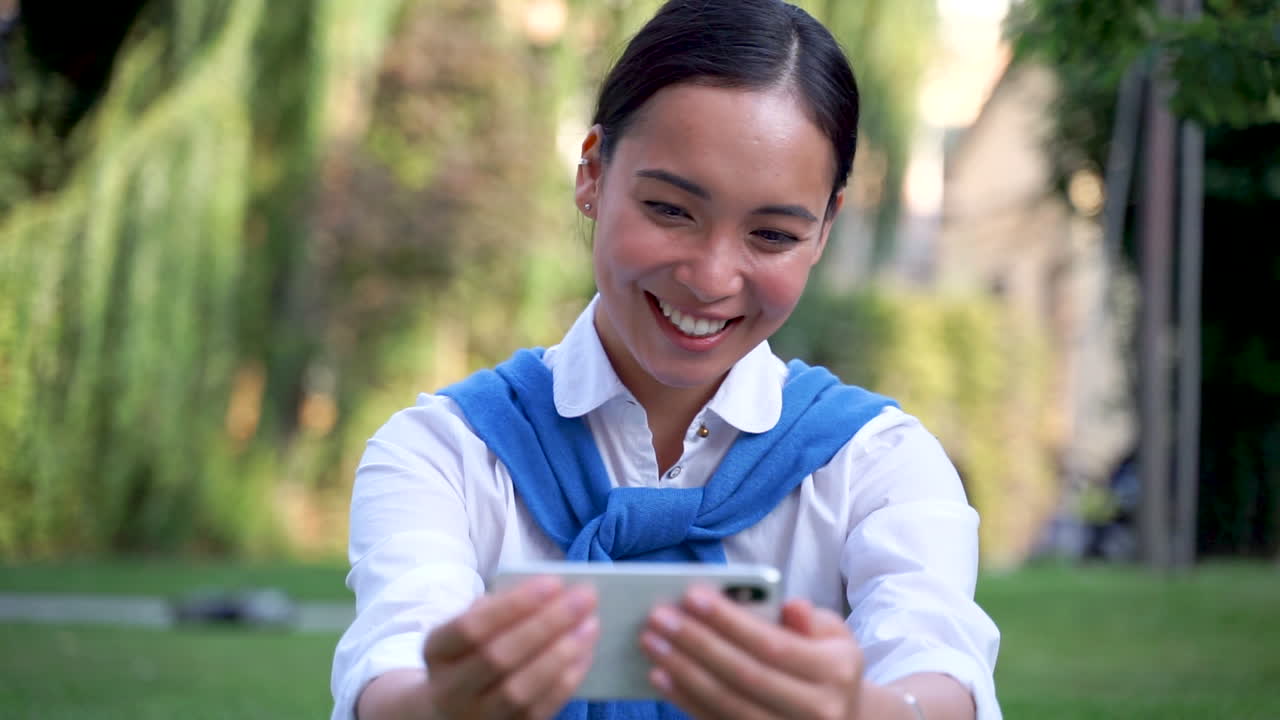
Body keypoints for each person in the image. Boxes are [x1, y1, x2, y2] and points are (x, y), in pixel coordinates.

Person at [330, 1, 1001, 718]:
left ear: (826, 228)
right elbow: (390, 670)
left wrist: (861, 711)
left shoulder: (879, 466)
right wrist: (440, 705)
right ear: (592, 172)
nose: (711, 279)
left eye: (773, 235)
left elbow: (940, 670)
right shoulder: (445, 455)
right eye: (671, 210)